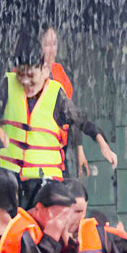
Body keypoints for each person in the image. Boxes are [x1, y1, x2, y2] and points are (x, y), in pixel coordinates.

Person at [0, 37, 116, 207]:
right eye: (21, 76)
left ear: (44, 70)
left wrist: (102, 143)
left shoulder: (56, 95)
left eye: (31, 76)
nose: (25, 82)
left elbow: (80, 120)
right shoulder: (8, 84)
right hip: (11, 179)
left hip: (44, 183)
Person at [40, 25, 90, 177]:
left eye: (54, 44)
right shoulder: (28, 76)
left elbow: (72, 115)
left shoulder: (59, 72)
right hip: (38, 152)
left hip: (59, 151)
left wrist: (79, 150)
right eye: (47, 45)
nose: (52, 50)